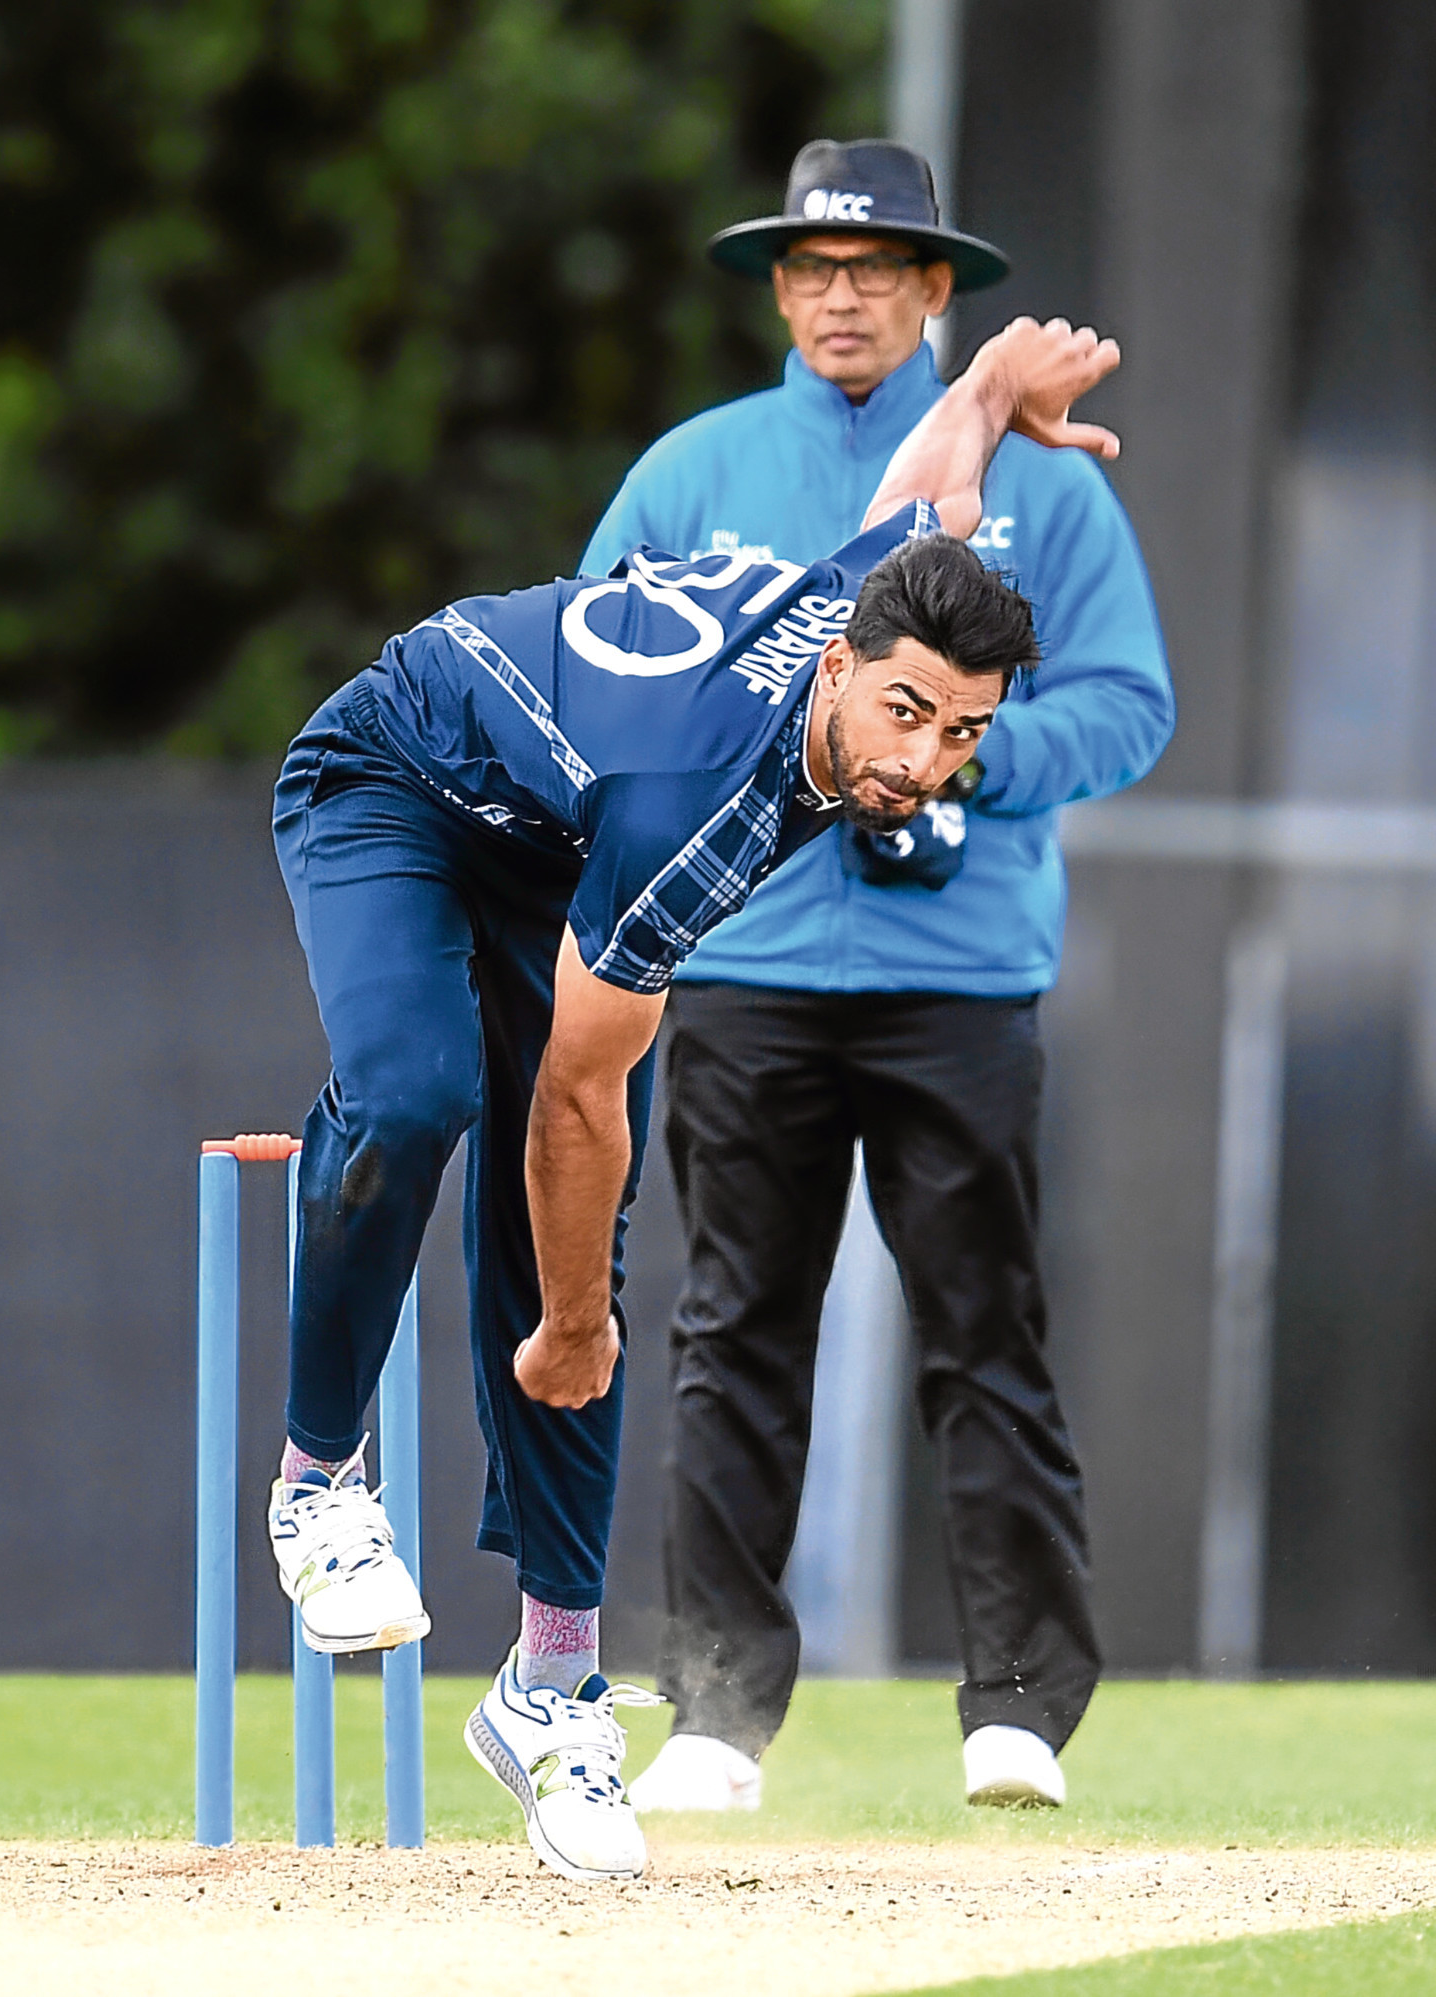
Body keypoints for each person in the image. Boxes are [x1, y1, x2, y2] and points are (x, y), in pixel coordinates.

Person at [261, 311, 1123, 1882]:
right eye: (908, 715)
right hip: (395, 775)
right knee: (430, 1101)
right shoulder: (705, 803)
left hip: (549, 842)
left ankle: (552, 1685)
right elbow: (576, 1097)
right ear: (845, 669)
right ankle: (320, 1481)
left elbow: (928, 500)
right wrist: (575, 1319)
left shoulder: (857, 602)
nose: (925, 764)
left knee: (570, 1248)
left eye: (965, 733)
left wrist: (992, 387)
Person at [586, 142, 1173, 1818]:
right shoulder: (695, 472)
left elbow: (1131, 703)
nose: (843, 292)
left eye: (879, 266)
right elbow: (611, 674)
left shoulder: (1048, 485)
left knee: (986, 1331)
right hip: (750, 966)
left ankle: (1017, 1711)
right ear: (780, 290)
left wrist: (957, 765)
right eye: (814, 265)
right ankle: (714, 1711)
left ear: (936, 294)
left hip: (959, 975)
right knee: (733, 1332)